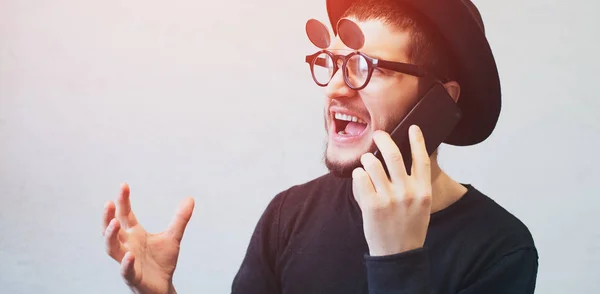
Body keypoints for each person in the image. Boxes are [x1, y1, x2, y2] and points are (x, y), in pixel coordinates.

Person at [101, 0, 539, 293]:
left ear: (441, 99)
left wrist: (397, 260)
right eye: (330, 64)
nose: (333, 88)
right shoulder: (288, 215)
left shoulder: (500, 249)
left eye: (364, 68)